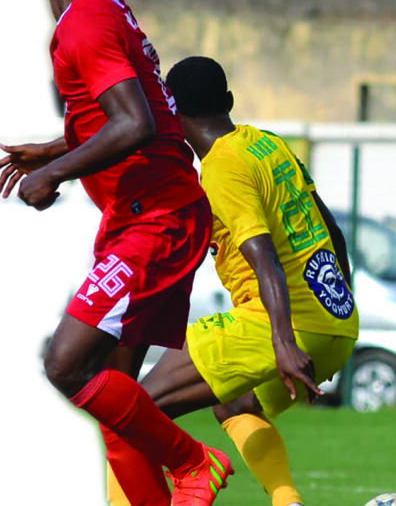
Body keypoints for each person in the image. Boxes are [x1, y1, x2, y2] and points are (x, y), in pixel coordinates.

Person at [0, 0, 232, 505]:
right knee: (115, 398)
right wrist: (51, 149)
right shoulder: (107, 8)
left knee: (65, 365)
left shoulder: (85, 24)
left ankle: (193, 462)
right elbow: (133, 110)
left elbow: (135, 123)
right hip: (147, 212)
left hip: (156, 218)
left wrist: (52, 173)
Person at [129, 55, 357, 506]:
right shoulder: (269, 144)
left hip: (279, 326)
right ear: (229, 101)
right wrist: (335, 318)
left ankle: (189, 473)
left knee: (132, 411)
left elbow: (263, 256)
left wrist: (285, 344)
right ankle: (288, 501)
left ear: (171, 110)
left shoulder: (222, 166)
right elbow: (332, 230)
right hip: (337, 322)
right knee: (235, 405)